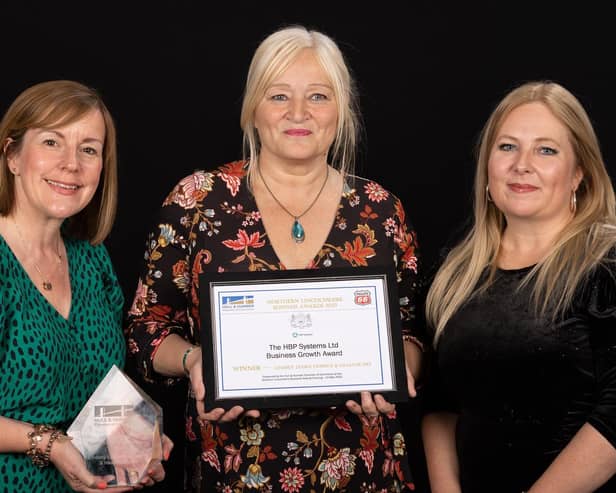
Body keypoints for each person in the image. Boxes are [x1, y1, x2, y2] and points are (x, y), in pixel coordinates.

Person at [125, 25, 424, 492]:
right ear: (254, 111)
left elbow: (408, 330)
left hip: (363, 472)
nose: (299, 112)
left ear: (342, 111)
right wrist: (194, 360)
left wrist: (396, 372)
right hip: (234, 470)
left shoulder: (381, 209)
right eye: (279, 96)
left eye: (319, 96)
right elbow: (147, 329)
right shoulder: (198, 199)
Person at [421, 80, 616, 493]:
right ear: (487, 167)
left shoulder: (607, 265)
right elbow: (439, 405)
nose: (522, 164)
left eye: (546, 150)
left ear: (578, 172)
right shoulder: (455, 275)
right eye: (507, 147)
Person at [0, 80, 172, 492]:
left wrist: (139, 429)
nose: (72, 164)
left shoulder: (91, 260)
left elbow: (102, 378)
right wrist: (51, 444)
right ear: (12, 156)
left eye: (89, 149)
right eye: (52, 142)